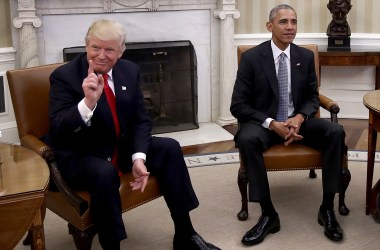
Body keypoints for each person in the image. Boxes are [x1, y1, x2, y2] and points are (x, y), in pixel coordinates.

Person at [46, 19, 220, 250]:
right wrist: (87, 103)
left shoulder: (129, 70)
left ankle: (185, 234)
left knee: (169, 147)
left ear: (121, 51)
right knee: (104, 173)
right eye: (95, 47)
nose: (101, 55)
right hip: (81, 154)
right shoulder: (64, 76)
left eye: (110, 49)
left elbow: (140, 119)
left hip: (120, 146)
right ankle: (112, 245)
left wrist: (139, 156)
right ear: (86, 45)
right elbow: (59, 128)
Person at [230, 4, 346, 246]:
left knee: (335, 131)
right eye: (283, 22)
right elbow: (238, 105)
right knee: (246, 138)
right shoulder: (252, 58)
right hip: (265, 125)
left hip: (299, 123)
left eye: (293, 21)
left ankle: (326, 209)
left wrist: (300, 117)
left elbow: (313, 97)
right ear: (269, 26)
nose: (290, 27)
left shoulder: (304, 56)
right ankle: (268, 214)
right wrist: (272, 123)